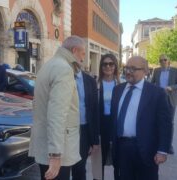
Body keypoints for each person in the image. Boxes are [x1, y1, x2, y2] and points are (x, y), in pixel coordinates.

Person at [28, 35, 85, 180]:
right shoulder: (64, 69)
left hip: (46, 145)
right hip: (58, 149)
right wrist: (55, 155)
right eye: (83, 53)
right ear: (74, 50)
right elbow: (57, 114)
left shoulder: (48, 65)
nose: (83, 58)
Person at [111, 56, 173, 180]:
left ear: (145, 71)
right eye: (127, 68)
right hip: (121, 148)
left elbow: (165, 124)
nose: (128, 71)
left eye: (133, 69)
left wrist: (162, 150)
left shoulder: (156, 93)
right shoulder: (118, 90)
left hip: (146, 149)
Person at [71, 63, 100, 180]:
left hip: (82, 130)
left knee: (80, 167)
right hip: (63, 130)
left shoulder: (90, 81)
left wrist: (95, 140)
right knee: (63, 167)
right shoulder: (60, 77)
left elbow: (94, 111)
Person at [94, 54, 121, 180]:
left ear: (115, 66)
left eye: (111, 64)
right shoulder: (95, 85)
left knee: (119, 164)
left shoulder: (122, 85)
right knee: (99, 164)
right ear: (101, 67)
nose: (108, 66)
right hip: (100, 127)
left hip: (117, 127)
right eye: (105, 64)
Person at [151, 54, 177, 154]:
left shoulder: (175, 70)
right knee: (158, 121)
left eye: (165, 60)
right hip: (159, 99)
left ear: (169, 61)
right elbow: (152, 83)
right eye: (161, 60)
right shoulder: (156, 71)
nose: (163, 62)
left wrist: (171, 87)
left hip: (171, 99)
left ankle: (169, 145)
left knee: (169, 122)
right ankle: (159, 143)